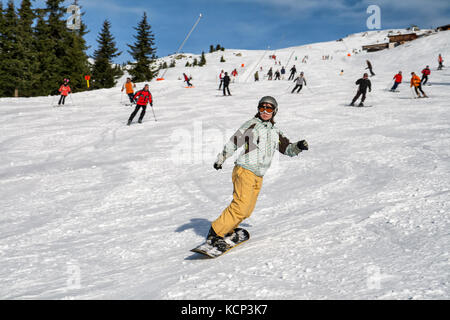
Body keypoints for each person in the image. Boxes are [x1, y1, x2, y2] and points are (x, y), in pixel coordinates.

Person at [206, 96, 309, 252]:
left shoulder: (275, 132)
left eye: (269, 108)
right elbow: (234, 142)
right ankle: (215, 234)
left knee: (247, 209)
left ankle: (228, 229)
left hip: (258, 174)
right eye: (262, 108)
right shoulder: (252, 125)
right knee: (240, 206)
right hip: (244, 169)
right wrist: (221, 158)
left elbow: (287, 149)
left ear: (275, 111)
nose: (265, 111)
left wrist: (298, 147)